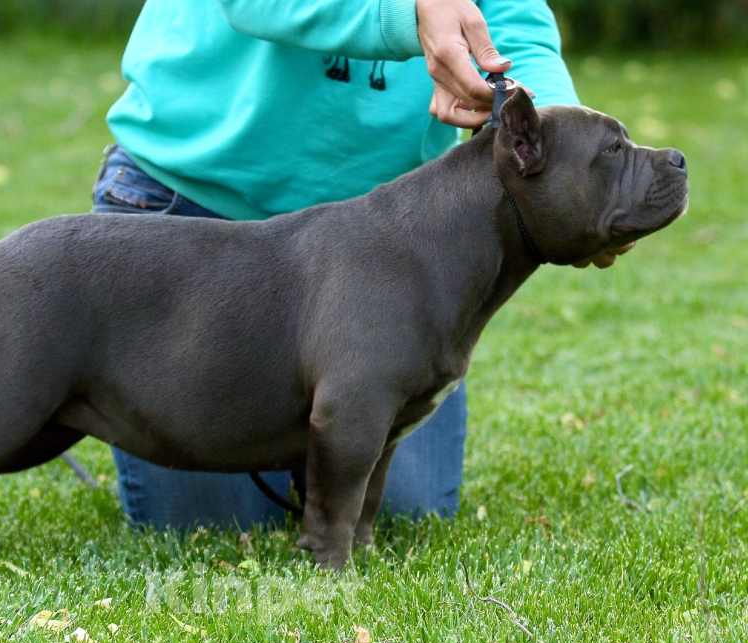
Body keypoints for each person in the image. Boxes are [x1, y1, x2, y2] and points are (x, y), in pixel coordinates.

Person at [89, 0, 631, 529]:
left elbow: (513, 23)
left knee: (402, 512)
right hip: (193, 215)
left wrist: (560, 154)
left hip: (387, 245)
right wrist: (408, 12)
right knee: (210, 523)